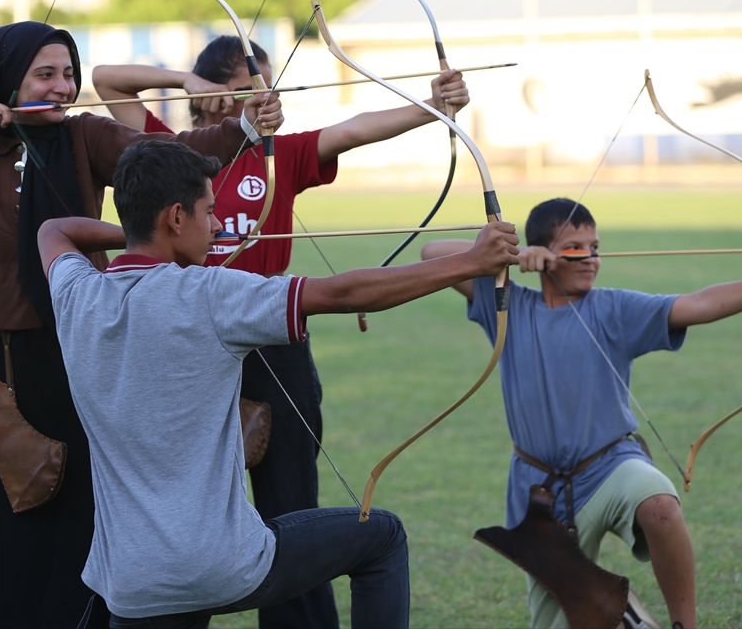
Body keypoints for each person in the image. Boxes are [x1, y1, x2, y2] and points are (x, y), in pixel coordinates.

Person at [0, 22, 283, 628]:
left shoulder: (83, 135)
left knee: (89, 511)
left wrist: (244, 127)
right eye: (45, 75)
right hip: (6, 371)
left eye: (68, 74)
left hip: (87, 350)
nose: (62, 87)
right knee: (18, 512)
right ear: (4, 80)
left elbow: (168, 156)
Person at [38, 140, 519, 628]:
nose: (219, 226)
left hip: (130, 582)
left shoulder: (77, 294)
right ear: (176, 218)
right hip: (220, 565)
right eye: (210, 211)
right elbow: (344, 293)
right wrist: (472, 262)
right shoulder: (208, 293)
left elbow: (53, 230)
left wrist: (139, 231)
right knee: (383, 537)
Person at [93, 37, 469, 627]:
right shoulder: (171, 156)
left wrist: (432, 108)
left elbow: (353, 130)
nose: (267, 96)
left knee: (290, 501)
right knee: (182, 502)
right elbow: (107, 80)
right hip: (184, 339)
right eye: (251, 85)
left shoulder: (278, 153)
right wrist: (187, 82)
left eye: (271, 85)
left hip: (268, 337)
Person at [420, 198, 742, 629]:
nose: (591, 258)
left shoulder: (613, 308)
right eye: (576, 248)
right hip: (539, 491)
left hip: (610, 466)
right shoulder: (507, 305)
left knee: (659, 503)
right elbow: (431, 253)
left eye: (596, 247)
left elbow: (698, 304)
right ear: (545, 254)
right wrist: (511, 257)